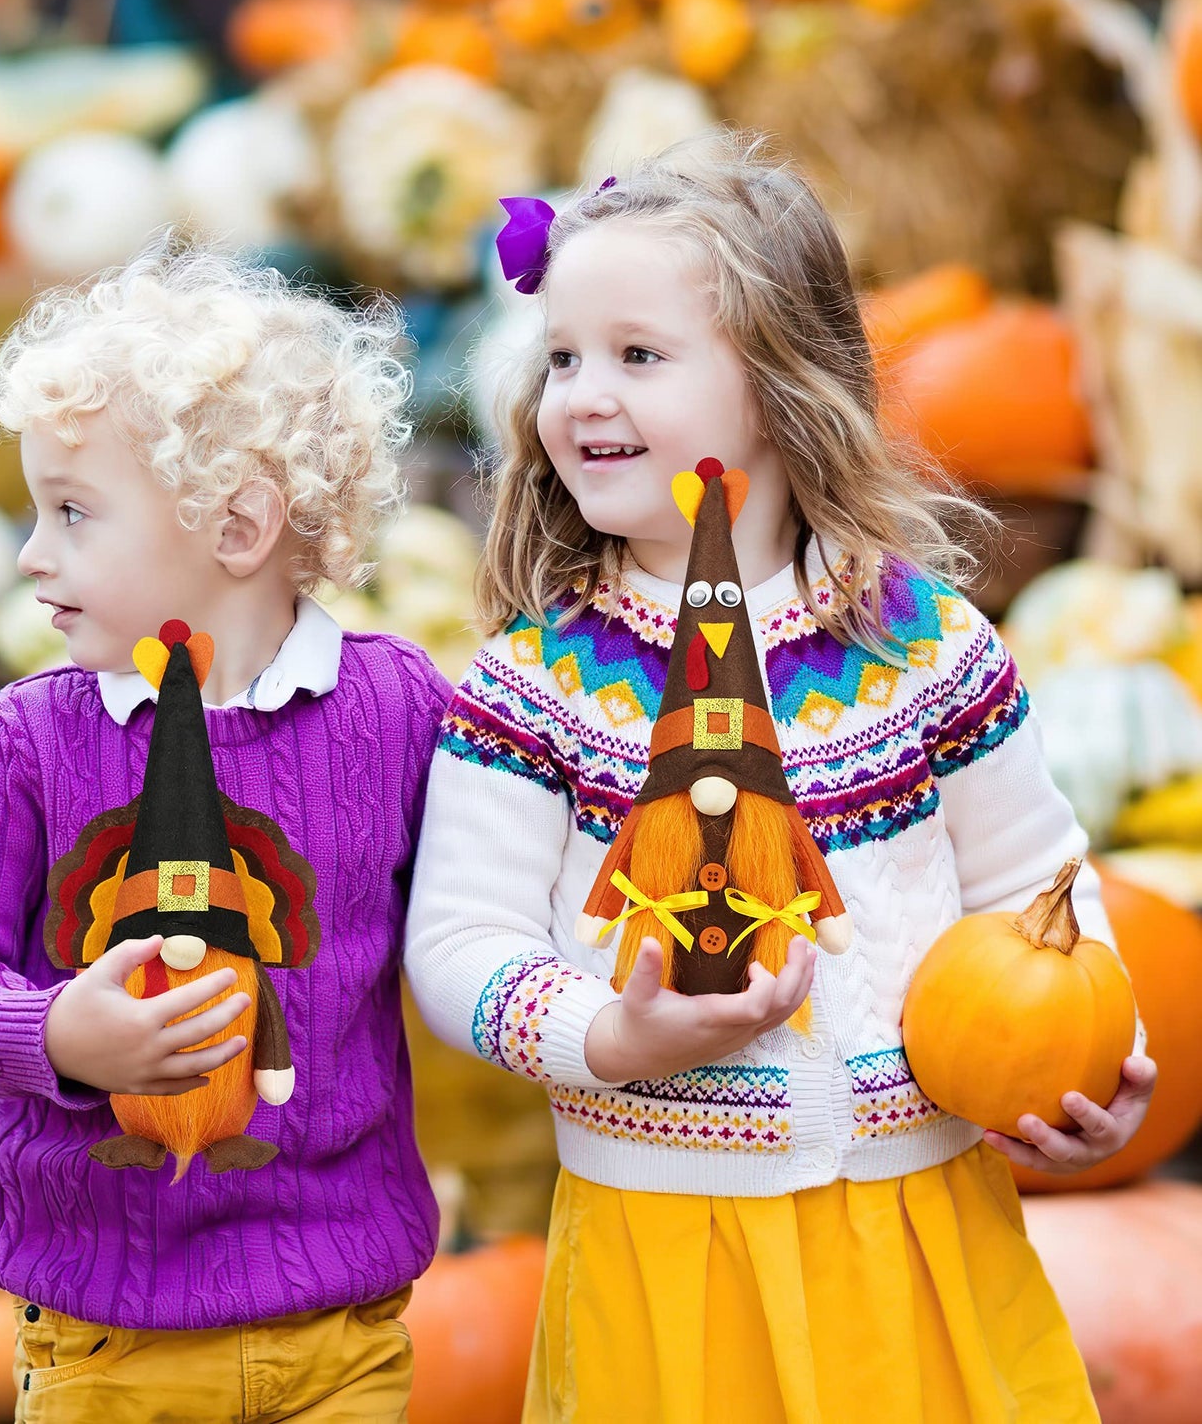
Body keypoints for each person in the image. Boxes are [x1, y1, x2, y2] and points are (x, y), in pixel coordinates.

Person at [404, 130, 1156, 1424]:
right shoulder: (537, 686)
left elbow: (1035, 880)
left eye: (637, 356)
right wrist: (611, 1034)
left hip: (913, 1222)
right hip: (669, 1239)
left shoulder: (921, 647)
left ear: (778, 382)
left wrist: (1099, 1048)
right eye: (562, 359)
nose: (583, 393)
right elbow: (458, 942)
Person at [0, 236, 449, 1423]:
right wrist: (58, 1035)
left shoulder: (396, 711)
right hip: (110, 1344)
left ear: (236, 526)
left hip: (342, 1333)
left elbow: (483, 901)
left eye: (73, 512)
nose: (33, 552)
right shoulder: (35, 734)